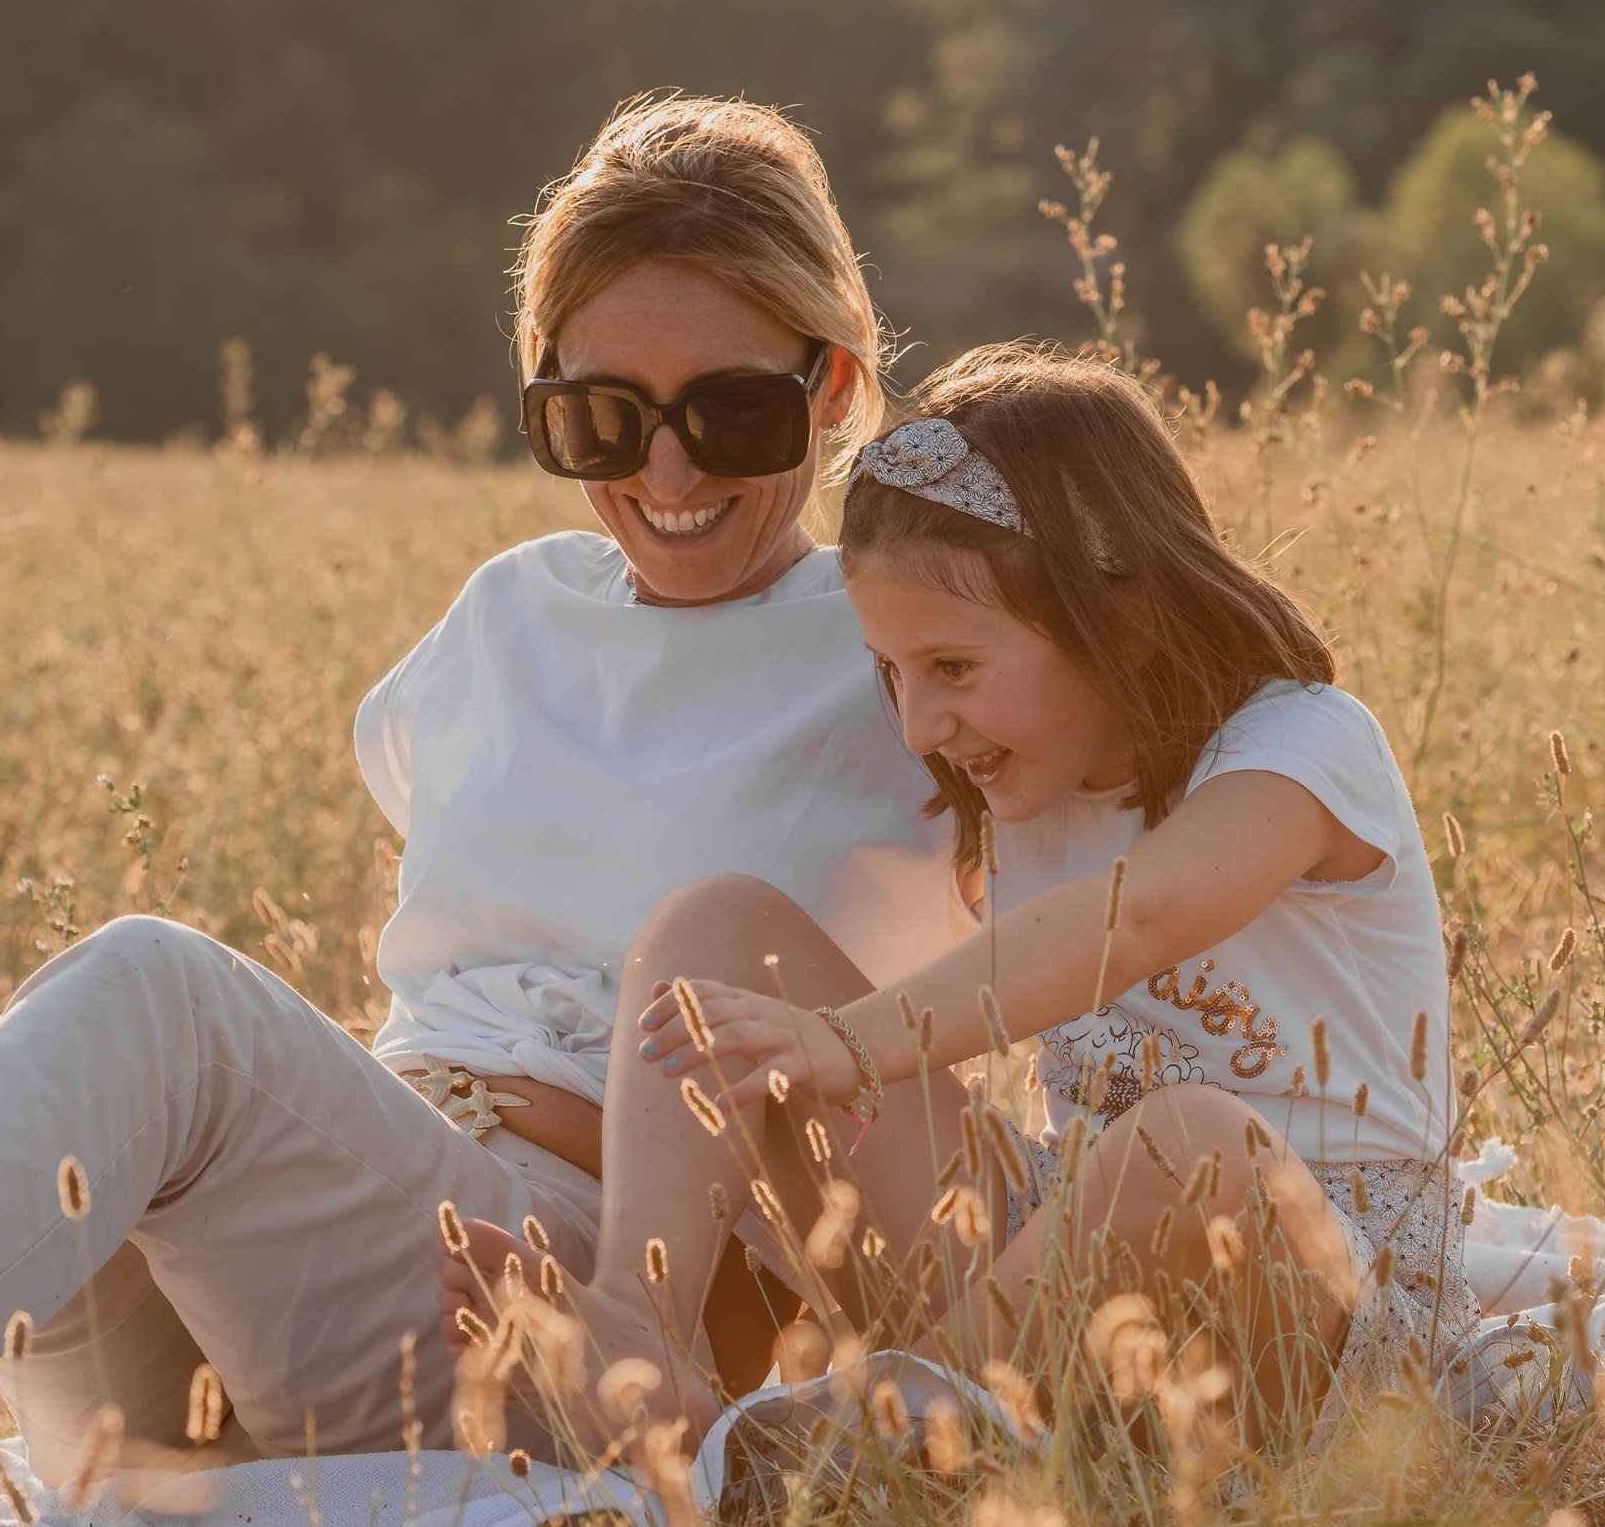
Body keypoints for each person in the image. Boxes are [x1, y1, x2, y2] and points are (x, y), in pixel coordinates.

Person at [0, 95, 964, 1507]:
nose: (665, 471)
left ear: (839, 387)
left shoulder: (911, 650)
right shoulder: (507, 616)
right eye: (600, 417)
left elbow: (1094, 912)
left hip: (570, 1307)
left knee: (158, 994)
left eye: (731, 411)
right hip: (326, 1258)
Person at [445, 344, 1474, 1451]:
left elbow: (1136, 919)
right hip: (1057, 1286)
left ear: (1120, 614)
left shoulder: (1302, 749)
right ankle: (642, 1344)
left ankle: (863, 1443)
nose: (917, 725)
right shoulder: (1025, 776)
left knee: (1191, 1139)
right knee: (720, 930)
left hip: (1321, 1309)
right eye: (891, 672)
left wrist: (845, 1037)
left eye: (953, 668)